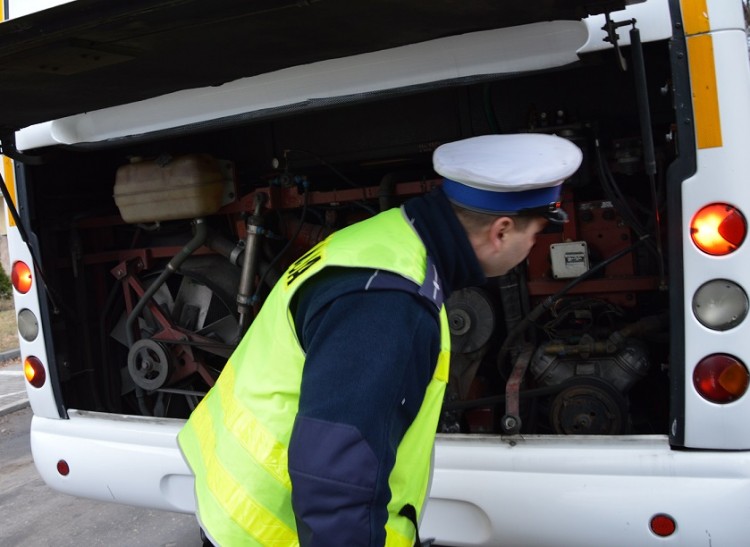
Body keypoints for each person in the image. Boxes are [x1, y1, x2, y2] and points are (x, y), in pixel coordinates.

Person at [178, 133, 583, 546]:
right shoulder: (389, 305)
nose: (532, 247)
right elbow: (337, 480)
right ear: (501, 231)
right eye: (534, 234)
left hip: (241, 504)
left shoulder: (387, 238)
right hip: (268, 532)